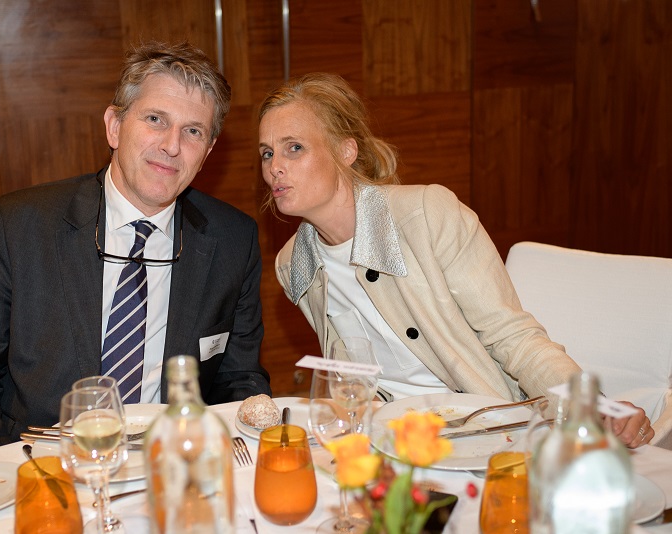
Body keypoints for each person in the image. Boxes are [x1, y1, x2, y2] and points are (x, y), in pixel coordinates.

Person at [258, 72, 653, 448]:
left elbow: (512, 337)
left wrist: (593, 407)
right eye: (267, 153)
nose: (275, 166)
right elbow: (353, 377)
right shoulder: (294, 264)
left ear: (346, 151)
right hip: (387, 439)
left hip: (482, 429)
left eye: (295, 148)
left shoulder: (426, 214)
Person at [0, 42, 271, 460]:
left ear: (208, 151)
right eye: (155, 119)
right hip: (43, 466)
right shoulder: (17, 227)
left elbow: (239, 382)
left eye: (193, 131)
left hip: (172, 467)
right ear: (114, 126)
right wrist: (22, 478)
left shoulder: (233, 240)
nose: (172, 145)